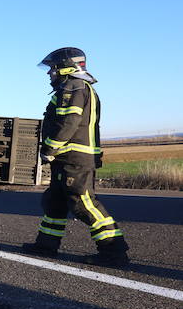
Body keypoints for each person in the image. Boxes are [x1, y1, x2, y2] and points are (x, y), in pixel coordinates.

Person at [22, 47, 130, 266]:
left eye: (52, 68)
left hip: (74, 158)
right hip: (68, 157)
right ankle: (46, 245)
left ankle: (114, 251)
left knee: (83, 203)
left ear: (66, 67)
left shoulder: (74, 87)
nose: (49, 73)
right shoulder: (77, 87)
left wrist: (49, 149)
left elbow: (68, 123)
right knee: (55, 202)